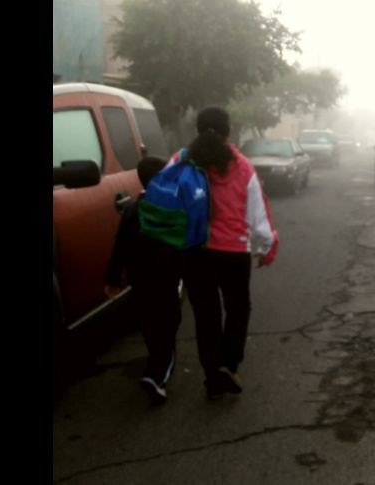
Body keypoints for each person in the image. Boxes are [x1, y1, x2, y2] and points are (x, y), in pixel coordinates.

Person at [179, 106, 279, 400]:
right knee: (237, 308)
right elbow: (258, 214)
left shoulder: (182, 161)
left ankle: (212, 373)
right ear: (229, 132)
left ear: (197, 130)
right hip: (233, 251)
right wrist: (267, 247)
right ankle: (229, 366)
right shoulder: (243, 166)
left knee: (205, 314)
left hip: (195, 250)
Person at [105, 156, 183, 404]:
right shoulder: (170, 208)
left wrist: (113, 278)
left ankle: (155, 362)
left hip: (138, 280)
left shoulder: (132, 209)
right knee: (169, 323)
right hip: (165, 280)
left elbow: (119, 246)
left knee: (150, 324)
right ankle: (156, 376)